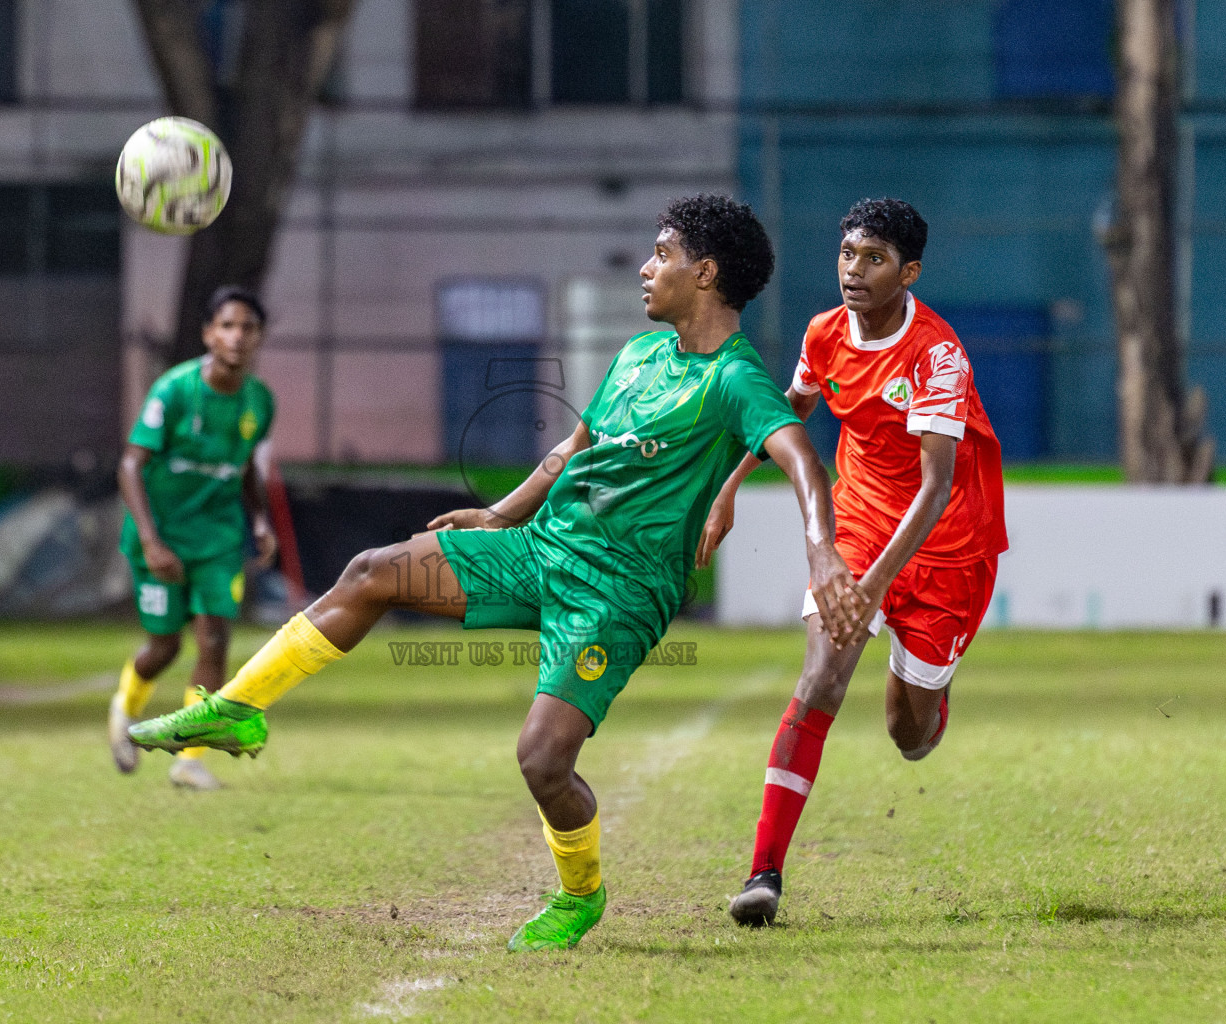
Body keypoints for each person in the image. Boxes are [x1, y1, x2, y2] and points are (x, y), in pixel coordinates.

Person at [128, 194, 860, 950]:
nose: (647, 267)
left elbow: (801, 458)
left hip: (618, 595)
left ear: (705, 273)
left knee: (542, 760)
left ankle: (580, 896)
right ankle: (238, 707)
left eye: (662, 253)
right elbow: (573, 448)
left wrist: (824, 550)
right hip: (538, 551)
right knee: (372, 570)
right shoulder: (638, 356)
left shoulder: (734, 379)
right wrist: (501, 514)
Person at [703, 198, 1007, 926]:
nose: (854, 270)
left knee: (909, 736)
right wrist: (729, 488)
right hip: (863, 524)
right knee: (821, 676)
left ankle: (928, 704)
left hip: (948, 546)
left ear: (910, 271)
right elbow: (789, 412)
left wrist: (873, 589)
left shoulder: (935, 353)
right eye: (847, 254)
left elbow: (935, 488)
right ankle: (764, 875)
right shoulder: (824, 334)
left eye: (874, 259)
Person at [107, 285, 277, 791]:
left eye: (248, 327)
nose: (237, 336)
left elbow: (246, 467)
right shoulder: (175, 390)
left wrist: (261, 520)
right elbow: (130, 465)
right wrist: (153, 542)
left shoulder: (260, 401)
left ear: (258, 337)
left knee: (216, 639)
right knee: (163, 647)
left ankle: (189, 757)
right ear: (208, 333)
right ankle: (125, 707)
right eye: (227, 325)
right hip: (161, 536)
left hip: (220, 538)